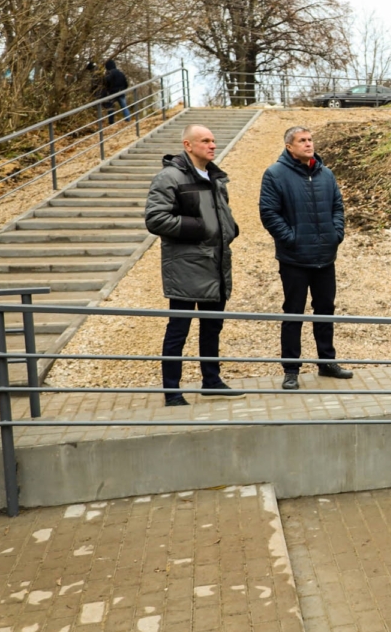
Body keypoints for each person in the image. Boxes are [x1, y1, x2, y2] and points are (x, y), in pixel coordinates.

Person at [145, 124, 242, 406]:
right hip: (186, 268)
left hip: (215, 265)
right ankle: (172, 392)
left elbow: (222, 215)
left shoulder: (215, 177)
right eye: (205, 141)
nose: (212, 145)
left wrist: (230, 229)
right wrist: (199, 227)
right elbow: (155, 219)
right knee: (179, 330)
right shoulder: (169, 178)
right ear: (188, 145)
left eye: (213, 140)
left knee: (212, 327)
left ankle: (211, 381)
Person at [259, 126, 353, 390]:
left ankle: (327, 362)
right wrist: (292, 238)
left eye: (310, 140)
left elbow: (337, 206)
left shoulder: (326, 174)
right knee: (293, 314)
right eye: (302, 140)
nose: (308, 144)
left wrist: (336, 234)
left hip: (325, 256)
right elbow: (268, 213)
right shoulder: (275, 174)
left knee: (325, 311)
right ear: (289, 146)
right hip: (294, 260)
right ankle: (291, 370)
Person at [101, 59, 131, 124]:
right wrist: (122, 89)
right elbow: (126, 84)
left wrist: (108, 89)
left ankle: (111, 121)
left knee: (110, 107)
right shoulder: (121, 73)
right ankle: (128, 120)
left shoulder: (109, 73)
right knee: (124, 106)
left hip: (113, 93)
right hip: (121, 92)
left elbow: (107, 82)